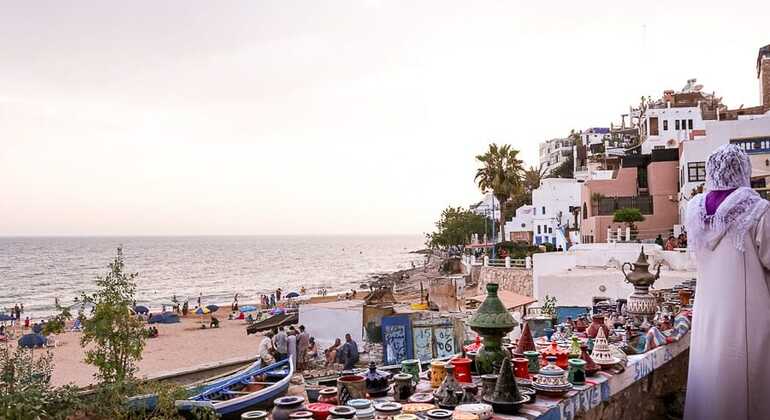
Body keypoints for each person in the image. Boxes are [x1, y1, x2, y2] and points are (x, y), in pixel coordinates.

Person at [683, 144, 770, 420]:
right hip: (747, 315)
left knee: (710, 384)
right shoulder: (758, 210)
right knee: (745, 384)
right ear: (743, 170)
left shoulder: (694, 211)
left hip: (709, 314)